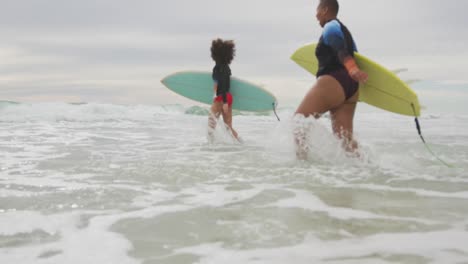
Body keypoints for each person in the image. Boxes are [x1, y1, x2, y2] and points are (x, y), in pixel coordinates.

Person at [294, 0, 368, 158]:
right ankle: (367, 170)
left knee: (298, 123)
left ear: (325, 10)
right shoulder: (346, 31)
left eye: (317, 11)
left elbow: (338, 46)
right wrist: (353, 72)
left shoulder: (331, 26)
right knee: (345, 141)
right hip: (351, 88)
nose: (316, 16)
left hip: (334, 81)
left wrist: (352, 68)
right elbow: (355, 52)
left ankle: (301, 170)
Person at [208, 38, 239, 141]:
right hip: (225, 98)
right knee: (228, 127)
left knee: (211, 125)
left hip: (222, 98)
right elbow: (219, 84)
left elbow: (224, 84)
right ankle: (241, 144)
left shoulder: (220, 68)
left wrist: (224, 102)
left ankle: (210, 146)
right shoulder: (224, 67)